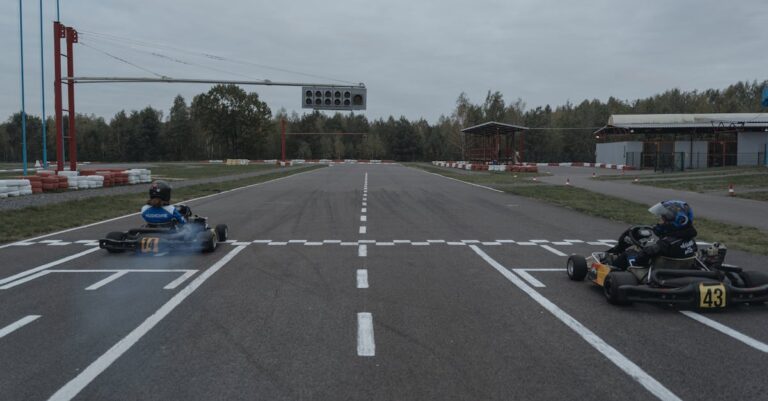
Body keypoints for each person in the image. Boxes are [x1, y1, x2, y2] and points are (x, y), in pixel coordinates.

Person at [608, 200, 697, 269]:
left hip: (660, 272)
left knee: (629, 253)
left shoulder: (666, 243)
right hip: (680, 269)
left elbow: (645, 256)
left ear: (678, 221)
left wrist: (640, 250)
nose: (660, 222)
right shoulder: (690, 240)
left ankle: (612, 269)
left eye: (663, 219)